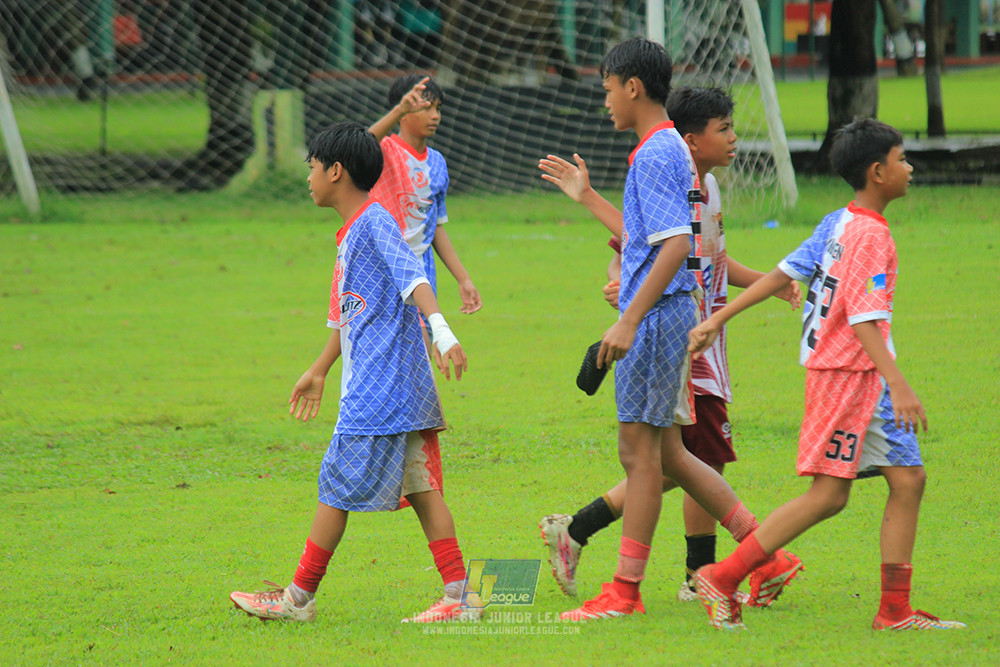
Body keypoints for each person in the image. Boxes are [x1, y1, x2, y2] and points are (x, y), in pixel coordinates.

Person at [538, 37, 802, 623]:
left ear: (633, 86)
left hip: (657, 319)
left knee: (639, 456)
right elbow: (649, 240)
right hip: (667, 315)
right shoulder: (664, 152)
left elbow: (679, 245)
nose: (605, 100)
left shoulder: (655, 153)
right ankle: (765, 556)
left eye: (608, 87)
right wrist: (591, 204)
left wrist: (630, 317)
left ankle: (624, 592)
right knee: (672, 455)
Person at [688, 118, 966, 631]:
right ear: (878, 171)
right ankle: (722, 577)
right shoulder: (871, 235)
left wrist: (717, 318)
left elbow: (783, 272)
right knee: (831, 494)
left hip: (841, 373)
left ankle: (894, 611)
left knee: (902, 481)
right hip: (854, 377)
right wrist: (898, 383)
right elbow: (863, 318)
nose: (910, 167)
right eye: (903, 159)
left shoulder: (838, 221)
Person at [230, 122, 478, 624]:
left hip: (379, 391)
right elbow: (349, 316)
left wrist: (443, 332)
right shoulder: (352, 232)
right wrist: (320, 369)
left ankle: (297, 599)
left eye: (313, 167)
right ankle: (459, 597)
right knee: (423, 488)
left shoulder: (374, 223)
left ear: (335, 171)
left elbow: (414, 277)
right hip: (401, 388)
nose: (309, 177)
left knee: (334, 484)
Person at [368, 74, 482, 315]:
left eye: (438, 109)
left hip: (422, 272)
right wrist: (397, 111)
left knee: (423, 347)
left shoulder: (438, 162)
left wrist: (464, 279)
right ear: (403, 111)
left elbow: (436, 228)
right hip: (382, 270)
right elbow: (359, 145)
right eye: (426, 108)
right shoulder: (383, 150)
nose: (435, 116)